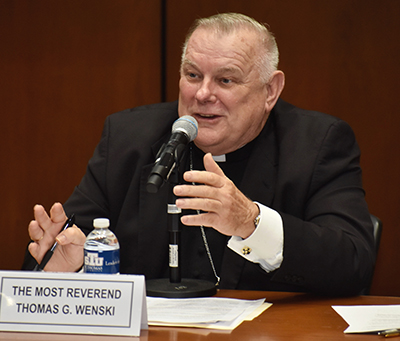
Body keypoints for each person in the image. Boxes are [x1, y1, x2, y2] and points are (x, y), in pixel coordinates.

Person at [23, 13, 375, 296]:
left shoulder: (317, 144)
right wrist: (68, 269)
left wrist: (250, 222)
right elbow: (56, 254)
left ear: (271, 90)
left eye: (226, 80)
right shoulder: (128, 140)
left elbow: (353, 262)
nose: (203, 94)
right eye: (193, 75)